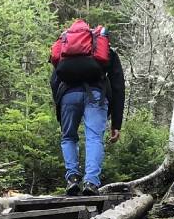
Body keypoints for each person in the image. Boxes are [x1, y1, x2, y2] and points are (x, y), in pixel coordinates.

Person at [50, 20, 126, 196]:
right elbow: (117, 86)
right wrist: (116, 123)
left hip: (68, 96)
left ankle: (72, 179)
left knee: (68, 137)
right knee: (94, 138)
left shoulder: (65, 50)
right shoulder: (103, 48)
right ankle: (91, 183)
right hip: (96, 96)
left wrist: (60, 108)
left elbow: (55, 80)